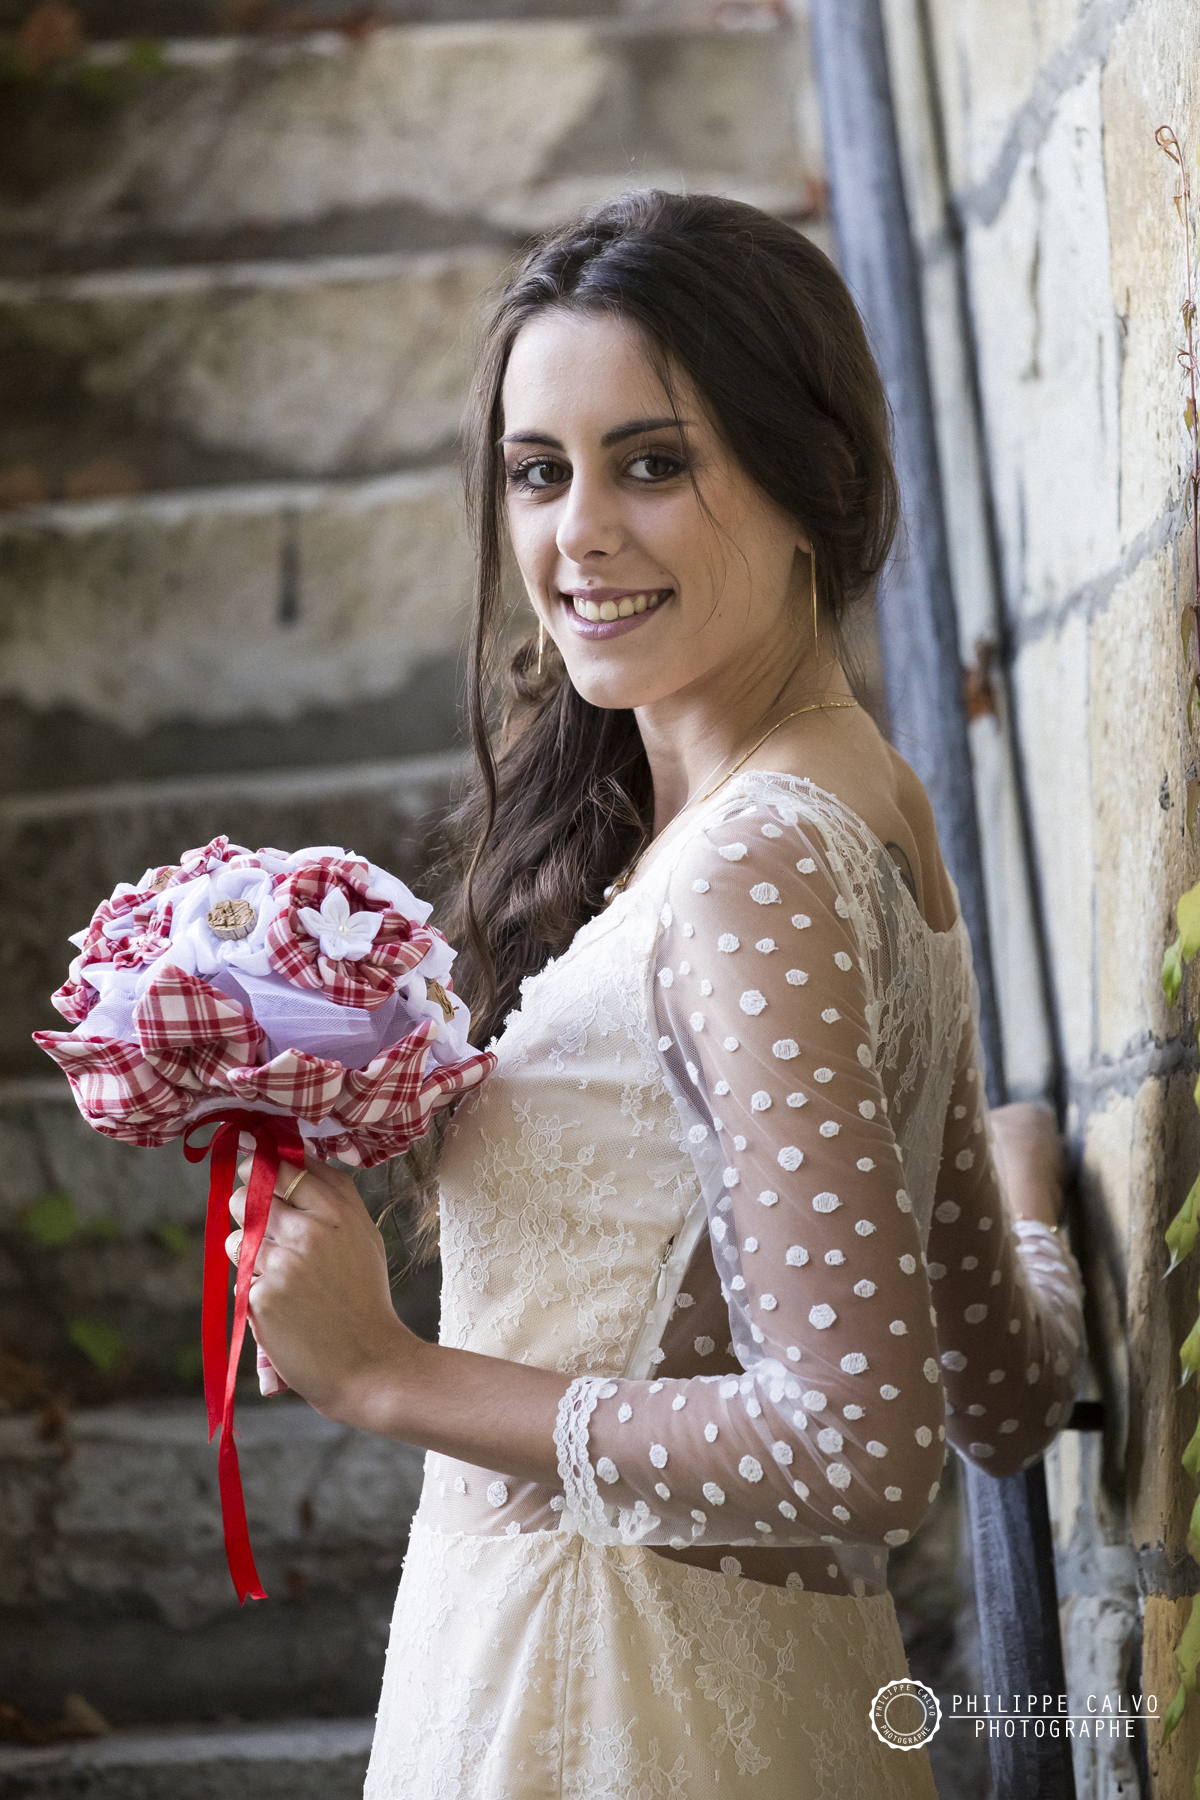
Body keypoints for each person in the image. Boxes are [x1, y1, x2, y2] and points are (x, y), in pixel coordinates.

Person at [228, 190, 1086, 1798]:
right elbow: (1006, 1392)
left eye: (651, 463)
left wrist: (388, 1373)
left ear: (816, 480)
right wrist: (1022, 1194)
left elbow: (860, 1448)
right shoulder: (859, 810)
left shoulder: (753, 870)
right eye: (539, 472)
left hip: (617, 1715)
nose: (577, 536)